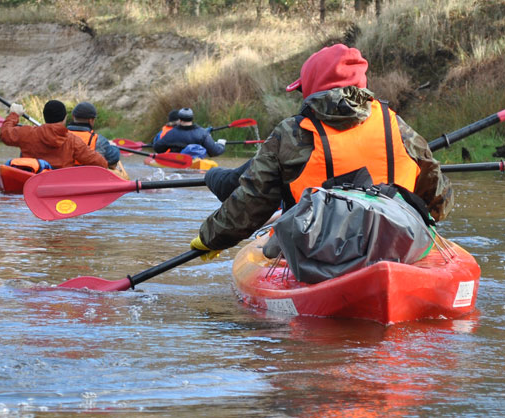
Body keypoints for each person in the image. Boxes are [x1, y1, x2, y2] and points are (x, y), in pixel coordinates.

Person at [189, 43, 455, 258]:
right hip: (396, 245)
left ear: (313, 88)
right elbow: (438, 198)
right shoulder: (396, 125)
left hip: (319, 252)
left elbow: (252, 202)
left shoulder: (292, 132)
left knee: (272, 249)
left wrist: (211, 237)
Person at [0, 99, 107, 169]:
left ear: (45, 117)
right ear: (65, 118)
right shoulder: (73, 141)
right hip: (58, 184)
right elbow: (100, 163)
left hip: (31, 180)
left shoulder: (27, 133)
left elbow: (4, 133)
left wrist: (14, 115)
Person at [66, 101, 123, 170]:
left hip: (63, 176)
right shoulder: (99, 140)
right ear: (91, 120)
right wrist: (113, 146)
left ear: (73, 117)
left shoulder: (60, 135)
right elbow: (114, 158)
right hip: (88, 177)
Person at [152, 108, 226, 156]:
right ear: (192, 119)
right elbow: (214, 152)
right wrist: (221, 144)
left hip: (176, 164)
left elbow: (158, 148)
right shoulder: (202, 133)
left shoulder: (171, 133)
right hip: (196, 165)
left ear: (180, 119)